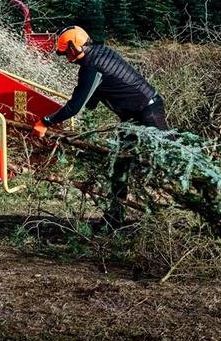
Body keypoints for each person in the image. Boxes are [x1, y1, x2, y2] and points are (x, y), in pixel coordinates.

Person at [33, 25, 168, 227]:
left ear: (73, 46)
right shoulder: (100, 53)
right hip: (133, 117)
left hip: (147, 112)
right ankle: (114, 218)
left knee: (169, 158)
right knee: (119, 164)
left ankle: (185, 208)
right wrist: (90, 105)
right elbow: (101, 88)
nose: (66, 58)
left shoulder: (91, 66)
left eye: (66, 52)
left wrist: (46, 122)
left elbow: (74, 106)